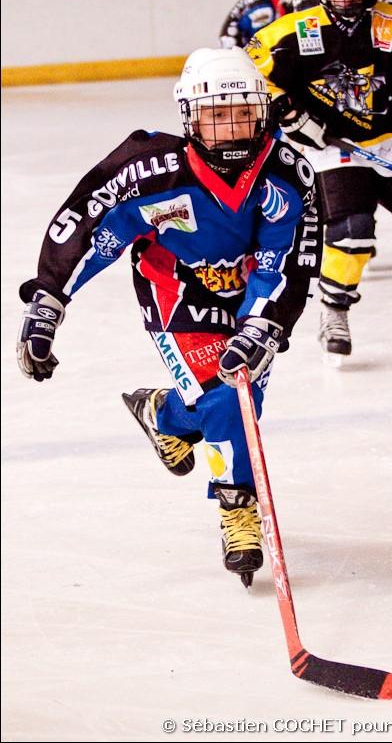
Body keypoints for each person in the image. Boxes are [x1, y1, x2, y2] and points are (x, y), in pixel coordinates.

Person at [16, 47, 320, 587]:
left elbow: (288, 262)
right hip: (175, 295)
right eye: (215, 115)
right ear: (190, 118)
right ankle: (236, 510)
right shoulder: (148, 171)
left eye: (241, 113)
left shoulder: (288, 176)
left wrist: (262, 325)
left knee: (232, 400)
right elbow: (89, 228)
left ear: (262, 112)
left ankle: (163, 417)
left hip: (249, 296)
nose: (229, 129)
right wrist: (50, 302)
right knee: (229, 399)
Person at [246, 0, 392, 359]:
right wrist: (287, 113)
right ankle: (334, 310)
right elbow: (249, 69)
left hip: (390, 144)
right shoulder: (295, 32)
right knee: (351, 230)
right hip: (331, 150)